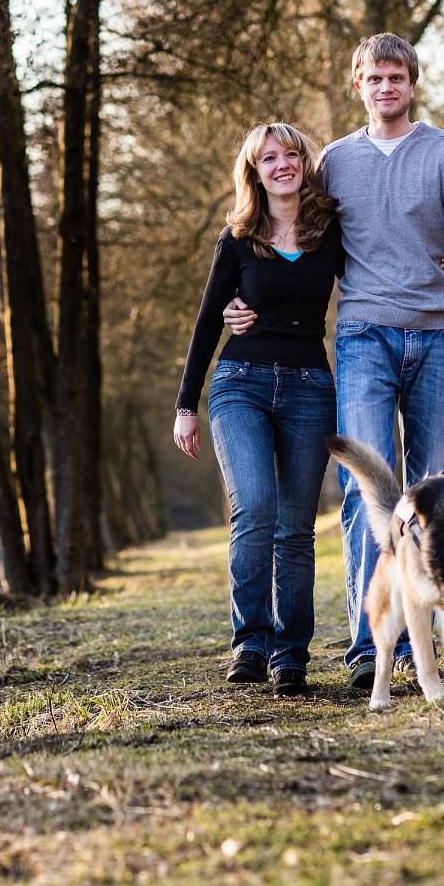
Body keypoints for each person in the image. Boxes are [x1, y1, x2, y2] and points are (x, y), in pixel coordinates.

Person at [224, 33, 444, 692]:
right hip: (363, 333)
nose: (386, 88)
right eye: (374, 78)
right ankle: (371, 644)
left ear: (413, 84)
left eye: (396, 77)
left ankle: (428, 635)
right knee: (368, 490)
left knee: (431, 494)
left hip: (435, 332)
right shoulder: (334, 161)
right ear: (359, 85)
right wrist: (242, 301)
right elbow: (286, 228)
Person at [173, 122, 344, 699]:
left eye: (290, 155)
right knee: (255, 508)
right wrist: (185, 403)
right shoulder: (238, 238)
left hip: (311, 390)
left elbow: (382, 269)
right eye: (268, 158)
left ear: (304, 163)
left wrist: (443, 262)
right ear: (255, 170)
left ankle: (291, 654)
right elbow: (206, 320)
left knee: (296, 530)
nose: (281, 165)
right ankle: (251, 641)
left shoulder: (330, 230)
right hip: (240, 382)